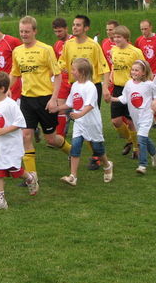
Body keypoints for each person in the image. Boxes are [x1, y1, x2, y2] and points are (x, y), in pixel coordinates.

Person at [9, 16, 72, 180]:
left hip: (45, 100)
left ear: (34, 31)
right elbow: (15, 73)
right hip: (27, 100)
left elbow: (57, 76)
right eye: (21, 31)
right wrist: (7, 89)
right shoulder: (17, 51)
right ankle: (32, 177)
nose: (24, 34)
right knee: (25, 136)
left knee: (51, 139)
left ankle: (72, 152)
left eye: (27, 31)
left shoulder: (45, 49)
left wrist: (53, 99)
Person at [57, 15, 110, 169]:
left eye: (78, 25)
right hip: (76, 87)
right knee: (80, 121)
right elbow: (61, 61)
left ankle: (97, 156)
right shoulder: (68, 44)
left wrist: (105, 87)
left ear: (86, 28)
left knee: (90, 121)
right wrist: (63, 67)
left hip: (92, 87)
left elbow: (104, 67)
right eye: (73, 25)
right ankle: (88, 154)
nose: (75, 27)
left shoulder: (93, 45)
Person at [0, 72, 39, 210]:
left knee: (15, 171)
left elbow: (20, 122)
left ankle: (30, 178)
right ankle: (1, 200)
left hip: (11, 145)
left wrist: (5, 130)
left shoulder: (10, 104)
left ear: (2, 88)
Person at [56, 58, 113, 186]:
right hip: (79, 123)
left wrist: (79, 114)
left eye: (74, 69)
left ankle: (107, 165)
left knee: (97, 148)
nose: (72, 72)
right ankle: (73, 176)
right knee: (75, 147)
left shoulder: (90, 87)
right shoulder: (75, 86)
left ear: (81, 72)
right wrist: (57, 108)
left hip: (92, 123)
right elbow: (70, 103)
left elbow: (90, 105)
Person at [109, 60, 156, 175]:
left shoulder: (149, 84)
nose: (134, 72)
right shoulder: (129, 84)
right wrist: (112, 99)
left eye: (137, 70)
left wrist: (154, 102)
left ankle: (142, 165)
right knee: (143, 138)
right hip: (135, 116)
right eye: (132, 70)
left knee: (141, 139)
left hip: (146, 115)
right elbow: (124, 98)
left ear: (143, 72)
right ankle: (154, 152)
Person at [110, 25, 145, 158]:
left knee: (131, 122)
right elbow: (114, 65)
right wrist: (112, 76)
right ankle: (130, 140)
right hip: (118, 89)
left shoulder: (135, 52)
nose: (116, 39)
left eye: (119, 37)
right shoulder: (113, 50)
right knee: (116, 121)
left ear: (126, 38)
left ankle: (136, 148)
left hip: (132, 88)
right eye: (115, 37)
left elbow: (143, 68)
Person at [134, 19, 156, 128]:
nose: (144, 31)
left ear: (151, 27)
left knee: (154, 94)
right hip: (145, 71)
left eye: (146, 29)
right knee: (147, 94)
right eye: (142, 29)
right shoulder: (139, 40)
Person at [51, 17, 73, 142]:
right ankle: (60, 138)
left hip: (76, 80)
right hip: (62, 81)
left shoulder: (75, 41)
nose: (58, 34)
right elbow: (55, 63)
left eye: (60, 31)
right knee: (61, 108)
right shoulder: (57, 44)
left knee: (81, 108)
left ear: (66, 29)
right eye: (56, 31)